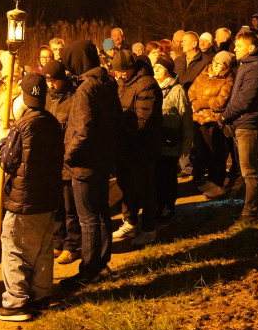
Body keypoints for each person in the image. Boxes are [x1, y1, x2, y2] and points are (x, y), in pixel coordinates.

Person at [0, 72, 65, 321]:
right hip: (48, 197)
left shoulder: (21, 126)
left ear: (24, 97)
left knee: (14, 248)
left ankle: (16, 302)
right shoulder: (53, 123)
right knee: (43, 248)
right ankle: (41, 295)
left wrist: (3, 141)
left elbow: (7, 162)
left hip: (23, 200)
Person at [59, 40, 122, 291]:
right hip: (102, 158)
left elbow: (82, 129)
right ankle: (102, 262)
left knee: (88, 218)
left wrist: (69, 156)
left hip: (85, 161)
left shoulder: (86, 88)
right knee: (102, 212)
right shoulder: (106, 82)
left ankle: (89, 270)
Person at [110, 50, 163, 247]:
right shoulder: (122, 83)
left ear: (132, 68)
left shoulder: (147, 84)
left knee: (144, 188)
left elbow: (142, 119)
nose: (119, 75)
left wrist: (118, 129)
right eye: (117, 72)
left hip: (142, 147)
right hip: (124, 146)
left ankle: (149, 229)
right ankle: (130, 222)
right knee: (125, 186)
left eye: (122, 71)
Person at [219, 32, 258, 222]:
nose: (235, 49)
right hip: (240, 122)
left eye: (239, 46)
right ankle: (247, 206)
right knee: (245, 169)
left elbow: (245, 99)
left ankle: (251, 212)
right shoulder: (246, 65)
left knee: (249, 171)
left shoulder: (254, 67)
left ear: (250, 48)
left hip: (248, 124)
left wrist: (225, 116)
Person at [43, 59, 80, 265]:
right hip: (51, 159)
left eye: (54, 81)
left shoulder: (73, 98)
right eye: (48, 81)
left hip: (66, 159)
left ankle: (71, 245)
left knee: (69, 207)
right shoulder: (48, 98)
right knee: (56, 206)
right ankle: (57, 240)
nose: (50, 85)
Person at [189, 50, 235, 199]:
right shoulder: (204, 73)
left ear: (227, 66)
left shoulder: (228, 80)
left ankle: (217, 183)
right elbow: (192, 91)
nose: (216, 65)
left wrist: (200, 104)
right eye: (215, 61)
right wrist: (194, 104)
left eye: (221, 64)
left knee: (215, 152)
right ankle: (208, 181)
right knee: (201, 151)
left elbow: (220, 102)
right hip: (198, 118)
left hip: (213, 121)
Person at [152, 55, 192, 220]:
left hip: (170, 142)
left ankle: (169, 206)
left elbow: (186, 119)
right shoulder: (152, 87)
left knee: (168, 176)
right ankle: (158, 206)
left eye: (159, 68)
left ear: (167, 71)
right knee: (156, 176)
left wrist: (186, 145)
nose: (155, 70)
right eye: (155, 67)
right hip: (155, 141)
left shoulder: (178, 90)